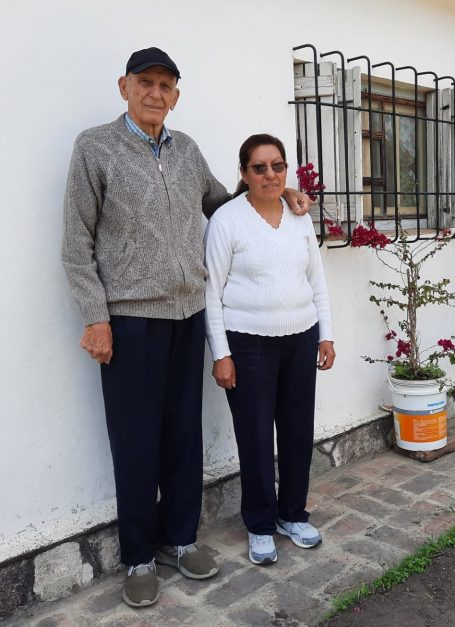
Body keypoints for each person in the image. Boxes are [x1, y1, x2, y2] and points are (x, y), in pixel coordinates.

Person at [61, 48, 307, 608]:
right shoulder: (95, 148)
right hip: (129, 319)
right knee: (135, 439)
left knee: (183, 434)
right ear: (124, 86)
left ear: (176, 95)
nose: (155, 93)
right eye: (145, 82)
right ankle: (138, 556)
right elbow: (76, 244)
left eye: (166, 85)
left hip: (188, 314)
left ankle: (179, 539)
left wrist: (278, 191)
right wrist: (95, 317)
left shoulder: (187, 150)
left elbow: (224, 206)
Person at [204, 133, 335, 566]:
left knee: (297, 432)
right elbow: (211, 291)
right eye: (259, 168)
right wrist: (221, 353)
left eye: (277, 166)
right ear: (244, 173)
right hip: (248, 344)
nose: (270, 175)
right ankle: (260, 524)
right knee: (256, 437)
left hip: (301, 337)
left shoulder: (298, 216)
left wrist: (326, 334)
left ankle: (292, 514)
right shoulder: (226, 220)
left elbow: (316, 279)